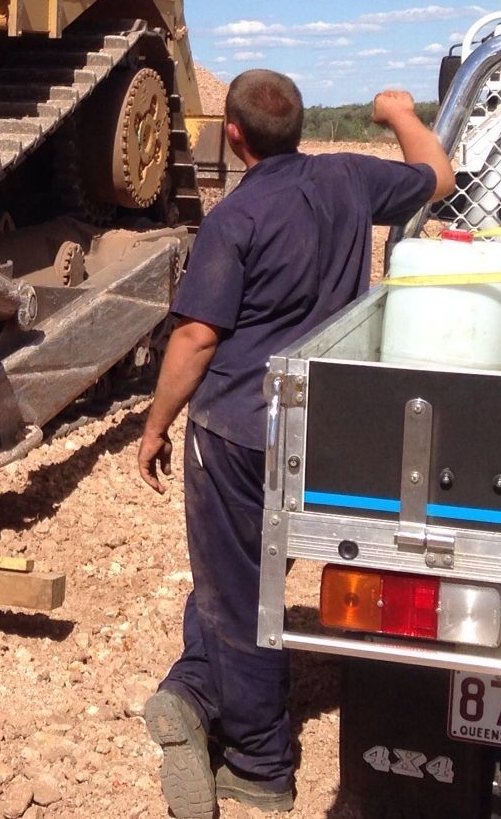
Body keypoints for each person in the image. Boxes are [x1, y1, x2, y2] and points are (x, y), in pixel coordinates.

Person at [135, 72, 455, 818]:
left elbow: (195, 336)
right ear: (300, 127)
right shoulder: (349, 179)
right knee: (234, 575)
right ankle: (189, 691)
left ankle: (258, 763)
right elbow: (438, 174)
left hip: (239, 429)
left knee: (237, 586)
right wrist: (401, 114)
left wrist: (155, 425)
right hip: (324, 427)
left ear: (235, 136)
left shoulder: (236, 216)